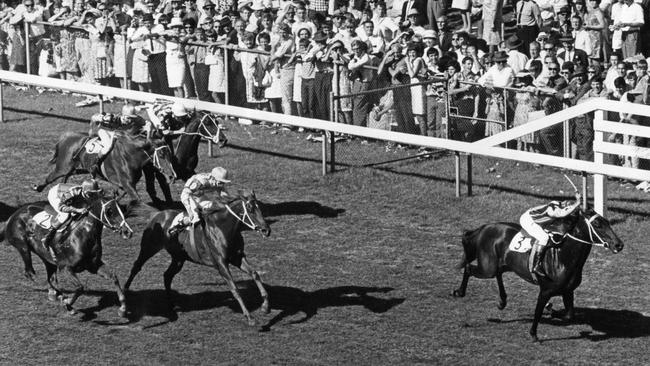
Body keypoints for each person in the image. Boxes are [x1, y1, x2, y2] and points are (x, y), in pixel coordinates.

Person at [520, 192, 582, 277]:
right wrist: (576, 204)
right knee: (544, 238)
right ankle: (536, 265)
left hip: (534, 217)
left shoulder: (557, 204)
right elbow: (561, 213)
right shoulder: (553, 210)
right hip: (528, 220)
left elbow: (564, 211)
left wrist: (577, 200)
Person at [42, 179, 102, 263]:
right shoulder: (72, 193)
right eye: (90, 193)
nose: (92, 196)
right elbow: (61, 207)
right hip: (56, 195)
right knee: (65, 215)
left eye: (94, 193)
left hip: (71, 197)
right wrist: (77, 210)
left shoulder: (89, 193)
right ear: (84, 191)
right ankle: (47, 237)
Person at [170, 166, 232, 233]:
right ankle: (176, 226)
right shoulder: (201, 182)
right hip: (189, 196)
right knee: (195, 217)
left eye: (223, 183)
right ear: (213, 178)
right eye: (221, 182)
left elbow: (224, 194)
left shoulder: (216, 182)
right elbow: (185, 195)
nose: (222, 184)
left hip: (199, 195)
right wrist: (190, 211)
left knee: (214, 207)